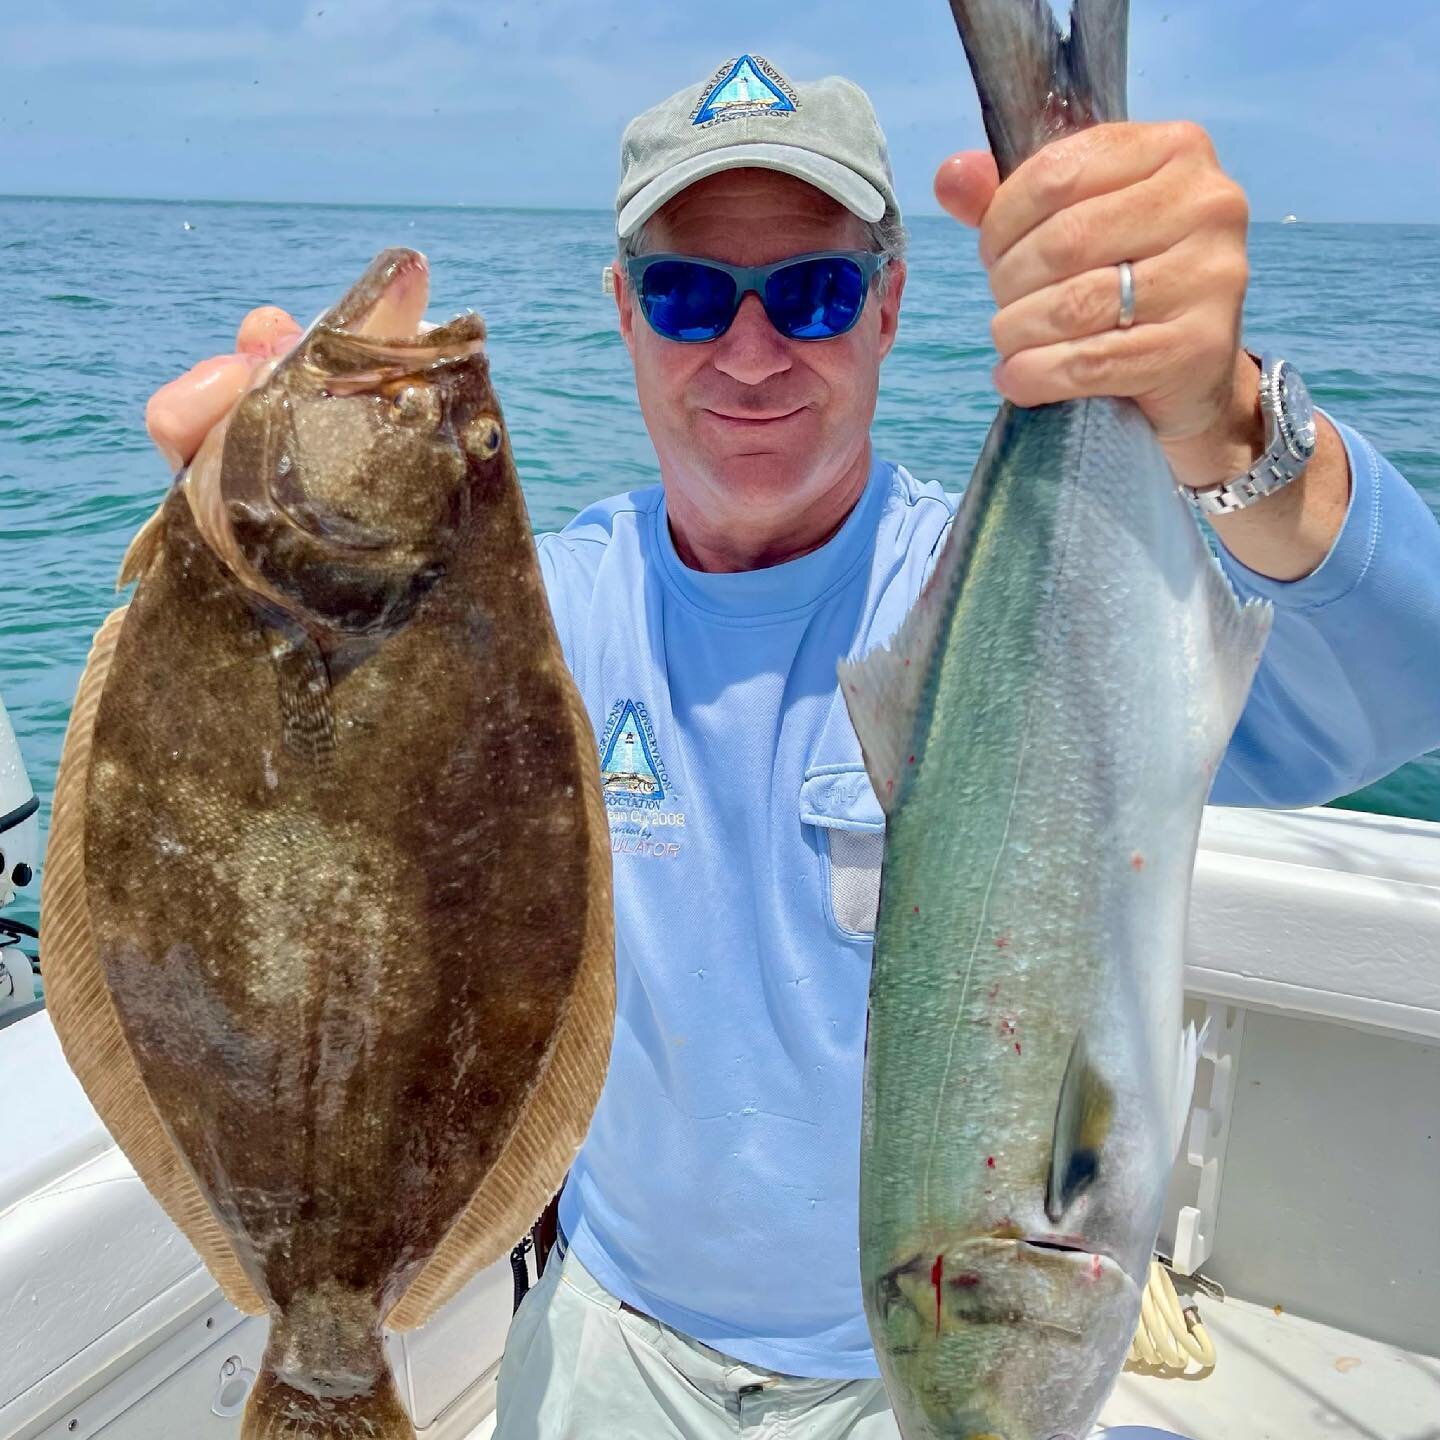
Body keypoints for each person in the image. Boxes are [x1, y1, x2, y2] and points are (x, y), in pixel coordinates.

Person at [146, 53, 1440, 1440]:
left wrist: (1227, 421)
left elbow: (1396, 690)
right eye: (689, 294)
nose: (749, 353)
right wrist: (263, 584)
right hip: (615, 1336)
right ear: (625, 316)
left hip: (908, 1372)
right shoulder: (542, 625)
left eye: (813, 293)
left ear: (888, 307)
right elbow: (310, 858)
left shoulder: (1021, 610)